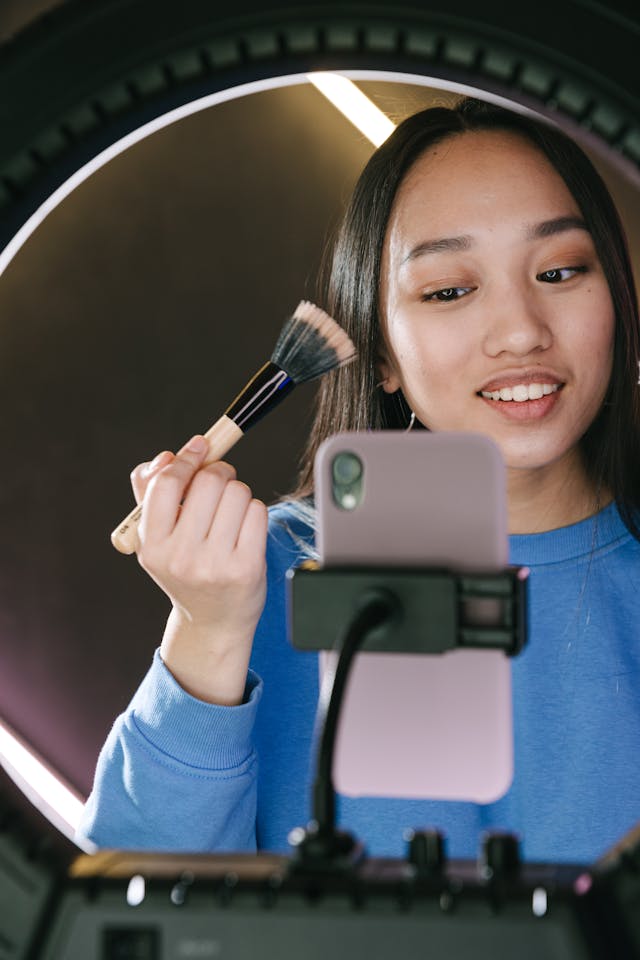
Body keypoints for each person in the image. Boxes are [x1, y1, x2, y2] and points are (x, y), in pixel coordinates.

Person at [78, 97, 640, 864]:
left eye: (560, 270)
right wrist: (207, 632)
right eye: (448, 290)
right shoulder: (268, 576)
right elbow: (118, 909)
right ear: (379, 353)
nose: (520, 332)